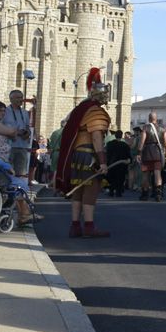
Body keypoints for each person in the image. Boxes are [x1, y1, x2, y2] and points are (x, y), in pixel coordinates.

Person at [55, 68, 113, 238]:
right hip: (88, 156)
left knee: (77, 191)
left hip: (76, 156)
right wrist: (102, 162)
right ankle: (89, 226)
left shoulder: (81, 108)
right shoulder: (95, 111)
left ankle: (75, 226)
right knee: (90, 189)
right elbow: (96, 138)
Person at [136, 112, 166, 201]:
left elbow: (142, 141)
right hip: (158, 153)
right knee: (157, 173)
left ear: (149, 118)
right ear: (156, 118)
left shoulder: (146, 127)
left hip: (147, 152)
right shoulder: (162, 128)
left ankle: (145, 194)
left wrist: (139, 153)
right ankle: (158, 193)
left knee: (145, 174)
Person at [2, 89, 33, 179]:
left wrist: (27, 133)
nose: (21, 100)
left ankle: (18, 190)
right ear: (11, 99)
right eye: (18, 98)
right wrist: (15, 132)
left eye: (21, 97)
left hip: (22, 146)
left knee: (21, 172)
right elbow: (1, 126)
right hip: (9, 145)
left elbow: (27, 127)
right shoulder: (5, 111)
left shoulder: (24, 112)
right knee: (9, 171)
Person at [105, 131, 131, 197]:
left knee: (112, 178)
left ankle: (111, 191)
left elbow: (107, 154)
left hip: (112, 164)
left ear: (115, 135)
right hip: (121, 165)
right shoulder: (125, 145)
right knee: (120, 178)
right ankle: (118, 192)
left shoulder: (109, 144)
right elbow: (128, 155)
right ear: (121, 136)